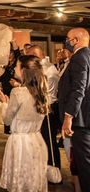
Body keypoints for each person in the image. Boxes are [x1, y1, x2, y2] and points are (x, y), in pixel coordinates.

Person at [0, 55, 49, 192]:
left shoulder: (17, 93)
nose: (14, 68)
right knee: (33, 181)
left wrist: (4, 103)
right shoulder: (42, 91)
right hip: (37, 140)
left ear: (24, 71)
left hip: (19, 142)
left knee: (19, 181)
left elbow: (7, 120)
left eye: (17, 66)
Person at [58, 27, 90, 192]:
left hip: (81, 119)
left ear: (75, 40)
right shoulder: (87, 56)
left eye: (68, 39)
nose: (67, 42)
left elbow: (78, 89)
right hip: (85, 117)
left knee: (85, 164)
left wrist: (68, 117)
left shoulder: (79, 57)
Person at [27, 45, 61, 177]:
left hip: (47, 109)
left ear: (36, 56)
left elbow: (41, 89)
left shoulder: (47, 69)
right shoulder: (42, 67)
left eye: (30, 56)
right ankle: (44, 169)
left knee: (49, 142)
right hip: (41, 107)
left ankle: (54, 173)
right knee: (42, 140)